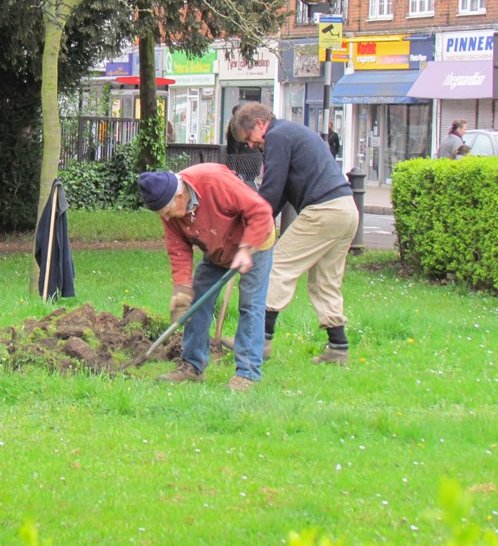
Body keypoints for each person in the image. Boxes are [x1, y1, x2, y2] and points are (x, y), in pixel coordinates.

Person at [228, 103, 358, 365]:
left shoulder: (277, 136)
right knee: (325, 281)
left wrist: (251, 224)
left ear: (259, 125)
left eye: (249, 138)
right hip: (346, 210)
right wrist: (259, 222)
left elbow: (272, 189)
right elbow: (283, 192)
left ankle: (259, 341)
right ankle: (338, 348)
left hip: (324, 210)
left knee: (277, 268)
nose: (251, 146)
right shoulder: (289, 133)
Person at [138, 164, 276, 391]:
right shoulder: (169, 208)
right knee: (197, 300)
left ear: (180, 196)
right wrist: (182, 288)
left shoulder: (215, 182)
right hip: (216, 247)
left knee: (250, 304)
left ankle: (247, 374)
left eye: (169, 212)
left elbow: (260, 211)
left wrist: (245, 247)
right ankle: (192, 366)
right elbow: (178, 249)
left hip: (254, 242)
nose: (167, 217)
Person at [225, 103, 261, 184]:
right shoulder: (253, 124)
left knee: (240, 187)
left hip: (241, 165)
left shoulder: (236, 126)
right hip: (255, 163)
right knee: (250, 186)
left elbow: (233, 149)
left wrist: (231, 168)